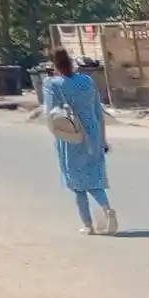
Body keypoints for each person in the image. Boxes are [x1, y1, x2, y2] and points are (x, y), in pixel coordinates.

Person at [42, 49, 118, 235]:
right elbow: (98, 112)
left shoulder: (52, 85)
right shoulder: (87, 81)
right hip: (92, 135)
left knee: (76, 183)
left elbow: (51, 115)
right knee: (94, 179)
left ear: (54, 64)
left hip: (70, 136)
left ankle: (88, 225)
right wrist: (102, 139)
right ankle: (106, 209)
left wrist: (56, 134)